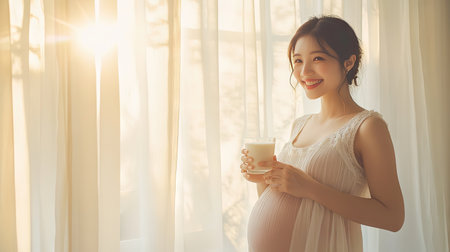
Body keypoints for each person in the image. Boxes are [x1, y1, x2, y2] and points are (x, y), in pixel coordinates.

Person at [240, 16, 404, 252]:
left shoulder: (368, 127)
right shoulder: (300, 124)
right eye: (298, 60)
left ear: (348, 62)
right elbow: (289, 203)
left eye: (318, 58)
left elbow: (393, 218)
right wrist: (264, 179)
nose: (304, 71)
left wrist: (310, 188)